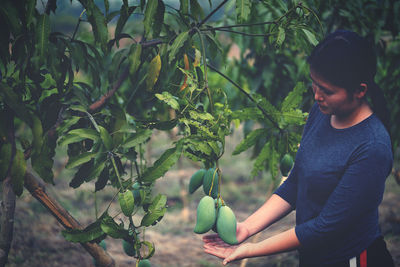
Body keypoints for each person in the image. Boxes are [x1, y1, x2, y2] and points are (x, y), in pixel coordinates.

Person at [203, 30, 395, 266]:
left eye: (327, 91)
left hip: (352, 260)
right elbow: (296, 183)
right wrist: (246, 228)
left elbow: (325, 227)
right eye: (314, 85)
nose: (317, 96)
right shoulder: (323, 113)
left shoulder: (372, 147)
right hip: (314, 257)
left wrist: (251, 250)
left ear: (360, 90)